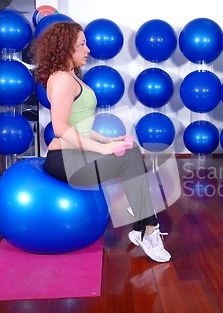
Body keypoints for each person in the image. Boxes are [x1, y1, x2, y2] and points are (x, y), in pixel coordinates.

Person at [30, 21, 170, 262]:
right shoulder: (62, 79)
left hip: (76, 155)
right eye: (82, 44)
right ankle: (147, 228)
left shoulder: (71, 76)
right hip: (64, 160)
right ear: (65, 47)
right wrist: (104, 148)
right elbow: (61, 128)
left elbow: (80, 127)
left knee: (131, 151)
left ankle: (143, 226)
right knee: (128, 159)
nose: (88, 50)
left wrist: (109, 139)